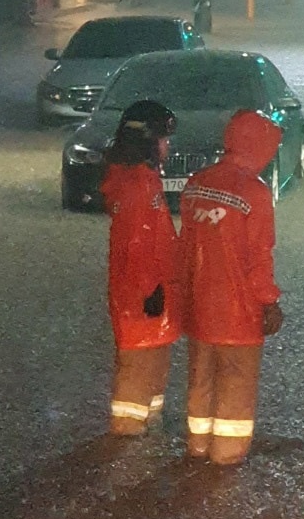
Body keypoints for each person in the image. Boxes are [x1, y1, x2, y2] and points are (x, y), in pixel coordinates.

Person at [180, 109, 284, 465]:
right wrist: (269, 302)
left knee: (201, 379)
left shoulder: (196, 183)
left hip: (198, 307)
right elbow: (258, 257)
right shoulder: (253, 193)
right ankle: (227, 452)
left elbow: (185, 246)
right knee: (235, 383)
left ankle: (197, 444)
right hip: (238, 313)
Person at [100, 100, 183, 436]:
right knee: (138, 365)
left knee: (150, 361)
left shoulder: (136, 179)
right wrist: (151, 288)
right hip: (143, 296)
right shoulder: (138, 184)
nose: (167, 146)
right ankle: (128, 433)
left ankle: (146, 424)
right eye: (163, 139)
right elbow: (138, 241)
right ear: (149, 141)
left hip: (147, 291)